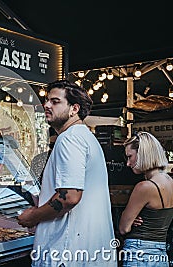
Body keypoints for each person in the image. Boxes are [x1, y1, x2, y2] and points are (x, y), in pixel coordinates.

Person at [17, 80, 116, 266]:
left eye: (55, 101)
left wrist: (33, 216)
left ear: (74, 109)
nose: (46, 105)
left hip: (66, 253)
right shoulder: (86, 137)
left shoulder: (69, 139)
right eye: (47, 100)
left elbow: (69, 197)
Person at [119, 131, 173, 266]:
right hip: (161, 254)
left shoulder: (144, 187)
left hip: (139, 252)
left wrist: (129, 218)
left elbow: (123, 228)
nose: (128, 163)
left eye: (130, 156)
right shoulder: (170, 181)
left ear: (142, 153)